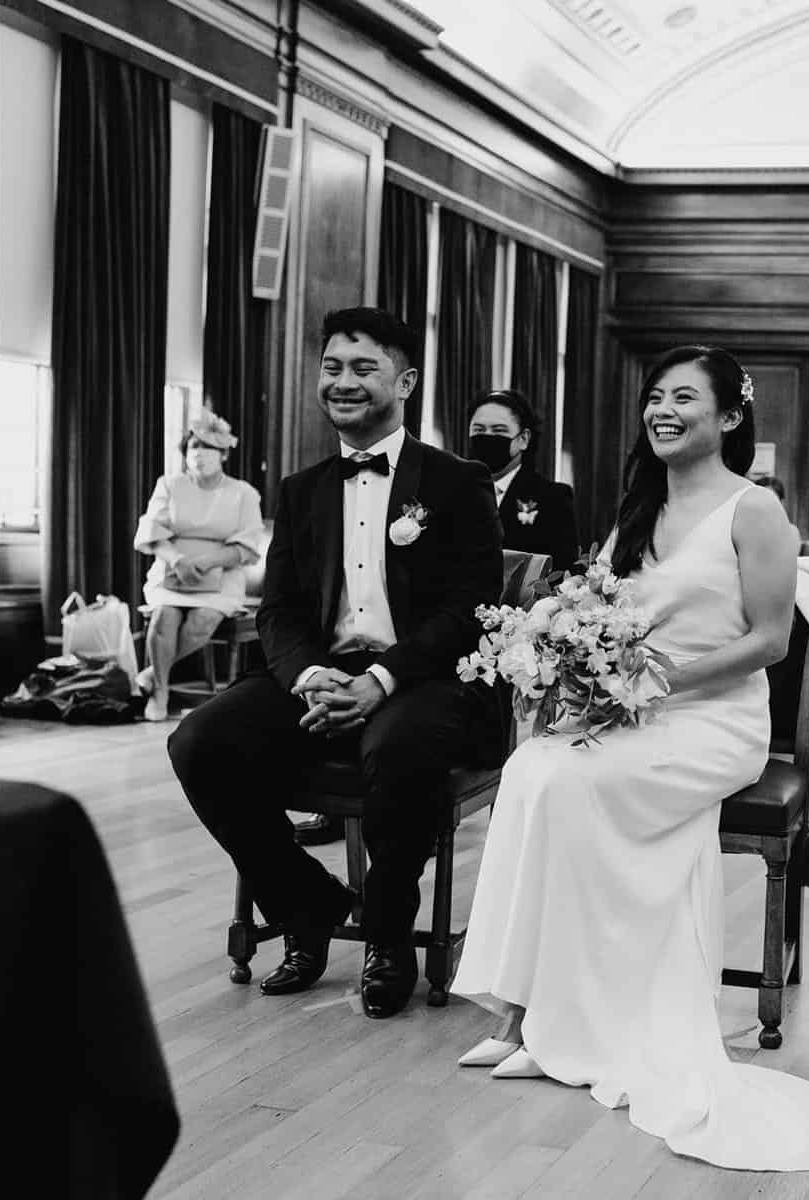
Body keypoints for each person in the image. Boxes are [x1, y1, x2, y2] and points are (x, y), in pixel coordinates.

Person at [450, 346, 809, 1171]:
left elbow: (769, 640)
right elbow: (598, 609)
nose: (662, 409)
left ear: (730, 416)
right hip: (633, 709)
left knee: (571, 781)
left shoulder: (755, 512)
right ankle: (524, 1006)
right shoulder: (635, 511)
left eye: (685, 396)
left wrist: (654, 681)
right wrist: (576, 663)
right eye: (655, 395)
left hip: (714, 722)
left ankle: (553, 1018)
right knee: (532, 769)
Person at [167, 306, 503, 1019]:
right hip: (321, 673)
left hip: (426, 679)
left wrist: (380, 680)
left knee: (398, 742)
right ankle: (306, 904)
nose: (342, 382)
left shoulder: (456, 482)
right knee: (199, 741)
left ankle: (387, 939)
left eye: (363, 368)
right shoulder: (301, 489)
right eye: (331, 367)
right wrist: (313, 677)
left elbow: (469, 609)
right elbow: (279, 611)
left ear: (405, 381)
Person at [132, 411, 264, 722]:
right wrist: (179, 561)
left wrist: (206, 562)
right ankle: (161, 693)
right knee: (164, 616)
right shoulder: (170, 484)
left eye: (207, 448)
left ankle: (153, 673)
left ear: (224, 454)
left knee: (202, 619)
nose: (199, 454)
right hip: (173, 572)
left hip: (222, 577)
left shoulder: (243, 493)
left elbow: (247, 545)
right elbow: (152, 533)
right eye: (193, 448)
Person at [466, 389, 579, 572]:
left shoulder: (553, 498)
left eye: (498, 430)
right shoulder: (454, 490)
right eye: (479, 430)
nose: (487, 437)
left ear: (523, 439)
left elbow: (563, 571)